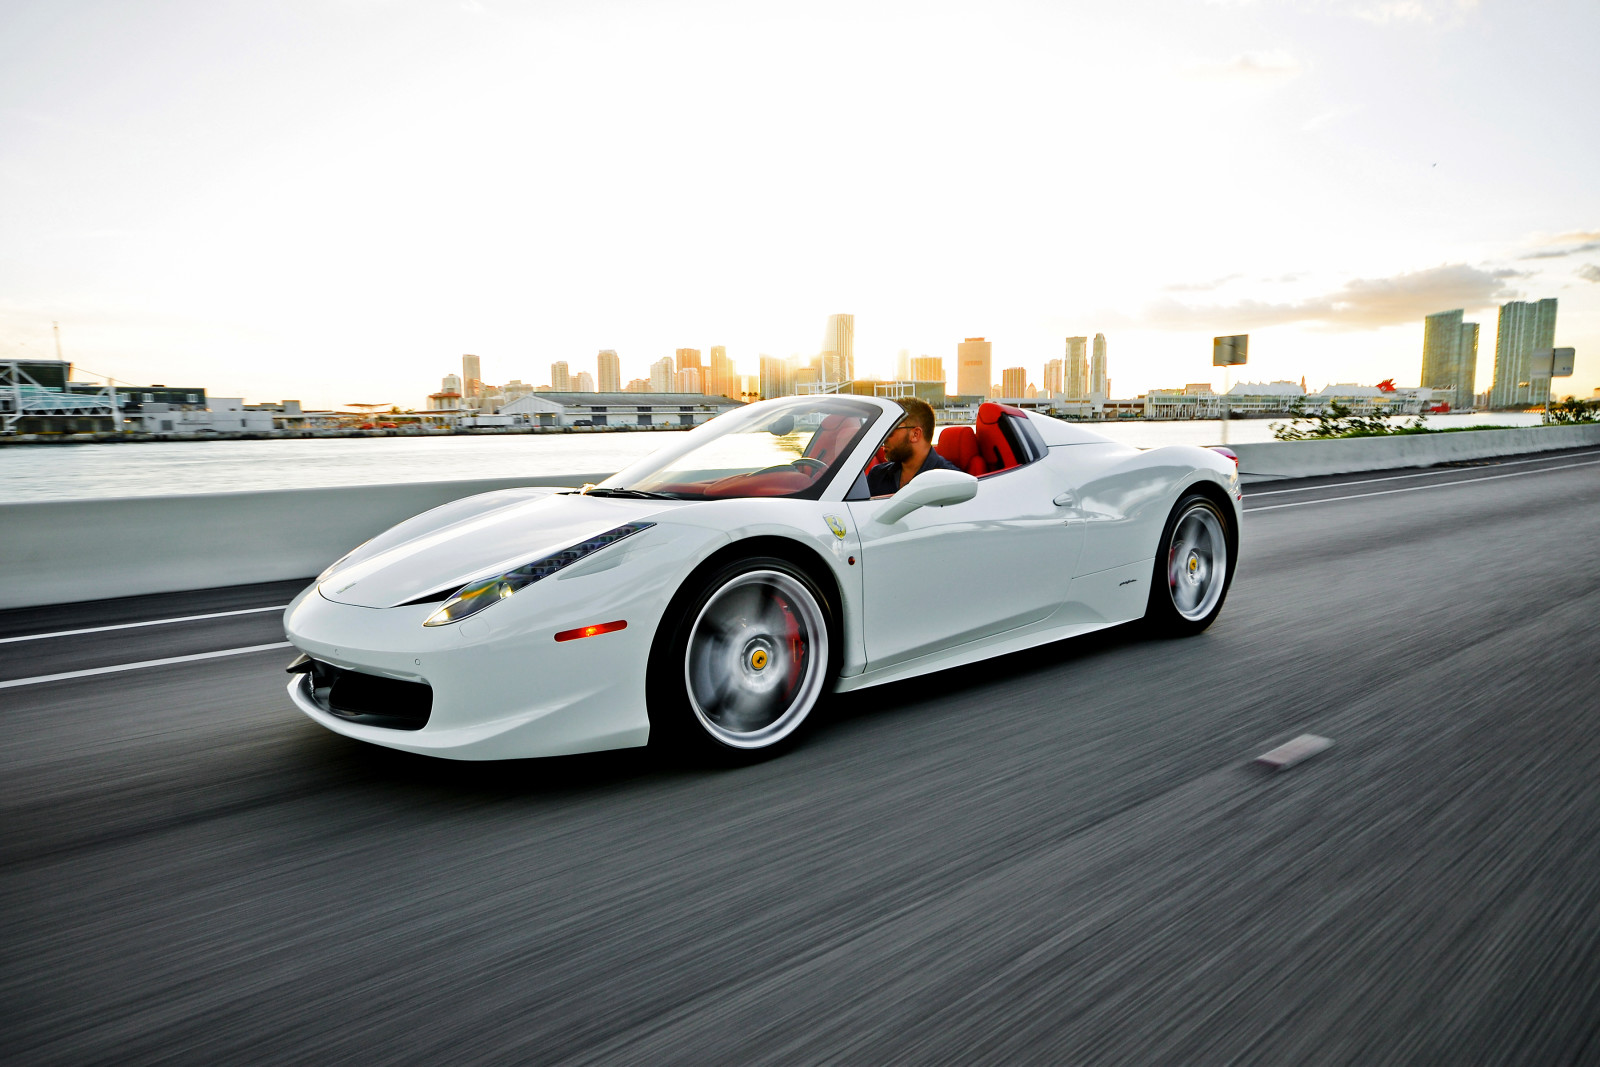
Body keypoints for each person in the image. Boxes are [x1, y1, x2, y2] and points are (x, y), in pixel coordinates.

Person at [866, 396, 960, 496]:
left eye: (891, 430)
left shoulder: (951, 483)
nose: (884, 438)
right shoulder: (876, 476)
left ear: (915, 434)